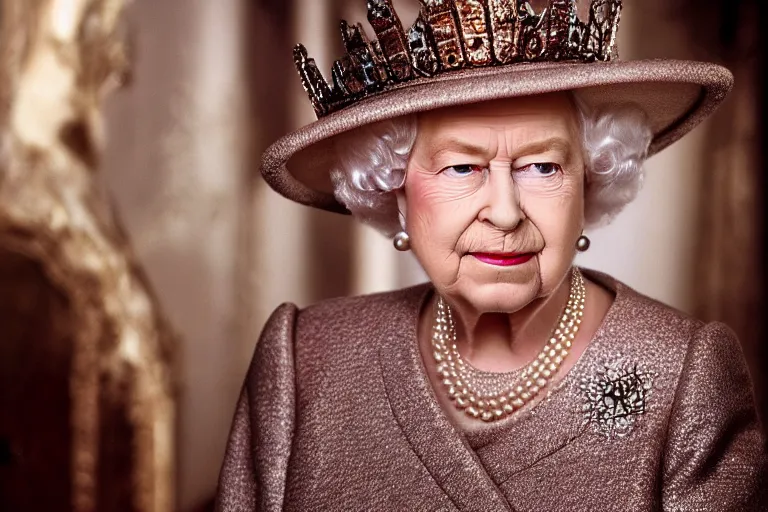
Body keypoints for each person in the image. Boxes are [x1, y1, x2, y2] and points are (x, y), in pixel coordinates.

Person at [216, 0, 767, 510]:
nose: (505, 212)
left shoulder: (681, 375)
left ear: (590, 182)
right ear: (395, 190)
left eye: (542, 167)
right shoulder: (305, 360)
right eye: (462, 167)